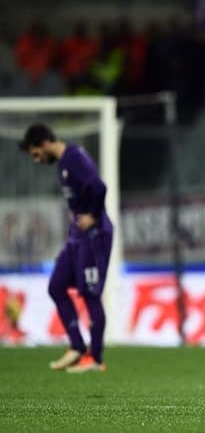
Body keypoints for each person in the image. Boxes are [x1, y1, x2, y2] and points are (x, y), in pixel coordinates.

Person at [19, 124, 112, 373]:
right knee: (56, 285)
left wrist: (92, 214)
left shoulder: (74, 158)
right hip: (77, 236)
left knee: (90, 294)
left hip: (94, 234)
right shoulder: (63, 163)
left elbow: (99, 187)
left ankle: (96, 359)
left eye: (37, 154)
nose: (38, 160)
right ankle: (77, 345)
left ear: (45, 143)